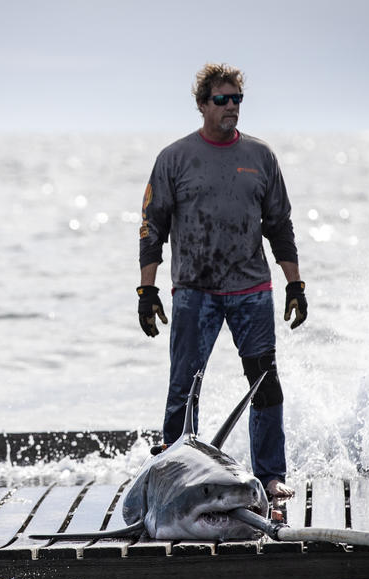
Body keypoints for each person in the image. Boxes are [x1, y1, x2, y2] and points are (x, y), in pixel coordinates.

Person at [136, 63, 307, 499]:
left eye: (237, 100)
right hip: (196, 292)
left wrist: (295, 285)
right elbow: (151, 227)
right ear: (201, 105)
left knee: (264, 382)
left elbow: (280, 225)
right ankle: (172, 476)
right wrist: (147, 290)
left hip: (251, 291)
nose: (232, 107)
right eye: (222, 100)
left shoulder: (260, 157)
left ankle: (271, 475)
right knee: (184, 387)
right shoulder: (174, 159)